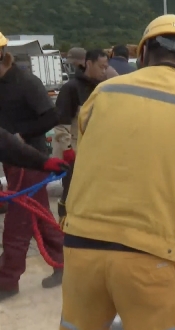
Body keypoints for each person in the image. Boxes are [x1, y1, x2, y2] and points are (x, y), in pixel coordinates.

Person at [57, 15, 175, 330]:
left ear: (142, 55)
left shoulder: (103, 93)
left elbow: (87, 158)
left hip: (81, 250)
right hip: (149, 259)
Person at [0, 31, 66, 301]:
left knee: (17, 221)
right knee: (40, 215)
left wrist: (22, 135)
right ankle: (66, 264)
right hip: (12, 159)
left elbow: (52, 116)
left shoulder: (26, 82)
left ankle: (7, 280)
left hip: (31, 158)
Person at [54, 49, 109, 222]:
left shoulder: (104, 89)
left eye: (106, 67)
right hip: (75, 153)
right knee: (71, 194)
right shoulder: (71, 89)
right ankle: (65, 223)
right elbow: (60, 124)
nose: (104, 70)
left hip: (96, 153)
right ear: (88, 63)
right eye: (101, 66)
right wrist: (67, 150)